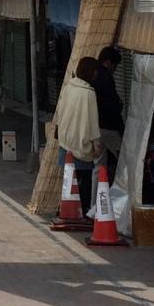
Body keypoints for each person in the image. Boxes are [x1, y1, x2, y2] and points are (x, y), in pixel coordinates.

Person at [56, 57, 104, 202]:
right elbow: (92, 122)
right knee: (82, 188)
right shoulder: (88, 93)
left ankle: (65, 212)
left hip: (65, 144)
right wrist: (97, 146)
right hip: (80, 147)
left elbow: (60, 112)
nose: (96, 75)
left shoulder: (68, 87)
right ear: (91, 72)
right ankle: (79, 217)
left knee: (67, 185)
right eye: (95, 71)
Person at [94, 45, 125, 176]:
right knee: (124, 159)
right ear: (108, 63)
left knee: (99, 166)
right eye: (114, 66)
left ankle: (97, 195)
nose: (114, 69)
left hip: (96, 126)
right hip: (109, 127)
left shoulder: (93, 75)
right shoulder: (106, 77)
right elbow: (112, 105)